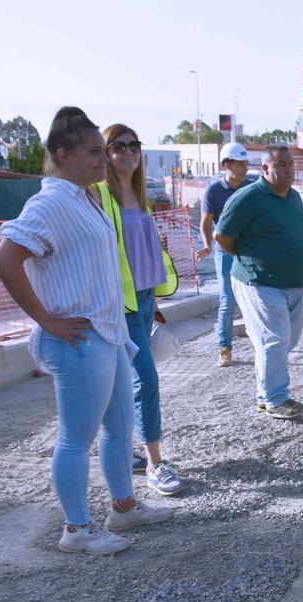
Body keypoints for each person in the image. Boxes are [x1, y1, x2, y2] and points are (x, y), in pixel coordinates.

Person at [0, 107, 173, 555]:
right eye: (94, 152)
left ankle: (123, 509)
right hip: (77, 337)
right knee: (76, 437)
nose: (103, 160)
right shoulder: (49, 202)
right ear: (63, 154)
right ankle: (76, 530)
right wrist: (47, 321)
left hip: (106, 333)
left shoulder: (84, 197)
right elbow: (4, 260)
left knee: (118, 427)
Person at [95, 123, 184, 496]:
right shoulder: (98, 194)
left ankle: (121, 449)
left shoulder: (139, 195)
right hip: (122, 306)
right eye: (119, 146)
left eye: (134, 146)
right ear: (105, 151)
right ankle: (154, 463)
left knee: (120, 382)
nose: (128, 152)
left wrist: (156, 300)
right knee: (144, 381)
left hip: (146, 300)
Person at [215, 146, 303, 419]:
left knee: (284, 342)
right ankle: (276, 399)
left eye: (291, 164)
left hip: (295, 282)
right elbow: (223, 237)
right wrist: (254, 260)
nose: (288, 169)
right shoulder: (247, 198)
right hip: (260, 282)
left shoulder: (293, 197)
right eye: (281, 164)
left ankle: (265, 394)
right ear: (265, 169)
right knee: (274, 340)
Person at [195, 142, 254, 366]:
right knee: (228, 300)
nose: (245, 168)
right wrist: (207, 245)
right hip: (225, 253)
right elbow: (206, 223)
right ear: (227, 164)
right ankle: (224, 348)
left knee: (254, 298)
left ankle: (260, 341)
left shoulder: (251, 187)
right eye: (241, 163)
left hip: (249, 252)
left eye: (246, 163)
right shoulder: (214, 191)